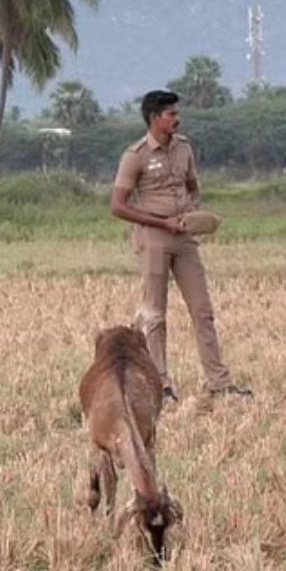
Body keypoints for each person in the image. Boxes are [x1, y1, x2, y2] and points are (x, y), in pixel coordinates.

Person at [110, 90, 250, 402]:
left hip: (184, 236)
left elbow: (192, 185)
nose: (177, 118)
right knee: (155, 315)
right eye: (171, 114)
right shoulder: (135, 155)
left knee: (203, 311)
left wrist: (194, 214)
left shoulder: (184, 148)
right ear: (154, 118)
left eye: (176, 113)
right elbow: (117, 206)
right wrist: (161, 223)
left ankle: (219, 383)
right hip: (154, 237)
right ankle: (161, 385)